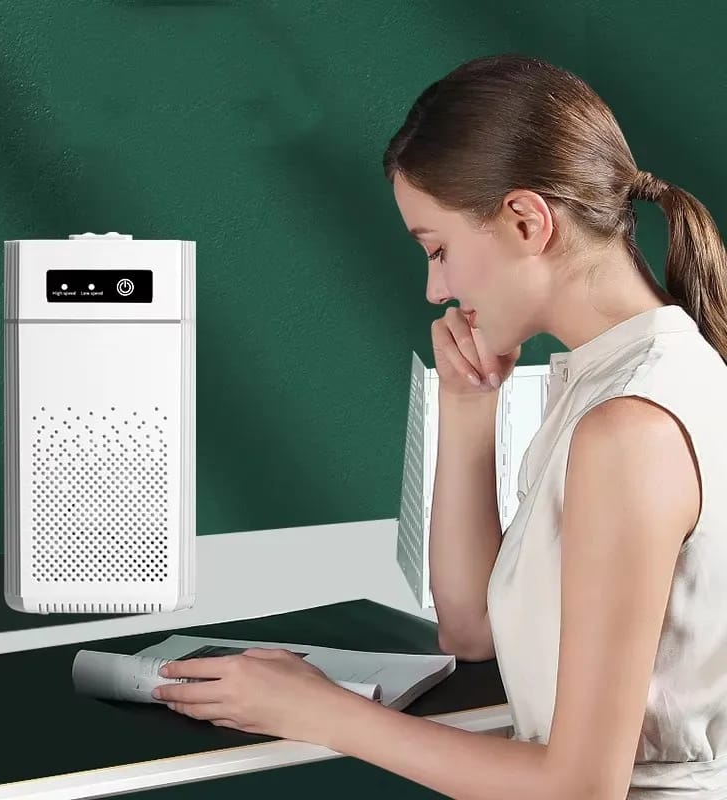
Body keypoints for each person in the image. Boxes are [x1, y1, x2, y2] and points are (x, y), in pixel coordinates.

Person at [153, 54, 727, 799]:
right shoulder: (618, 382)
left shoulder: (630, 426)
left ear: (527, 220)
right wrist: (467, 410)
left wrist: (320, 711)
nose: (436, 288)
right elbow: (469, 631)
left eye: (439, 250)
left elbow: (579, 789)